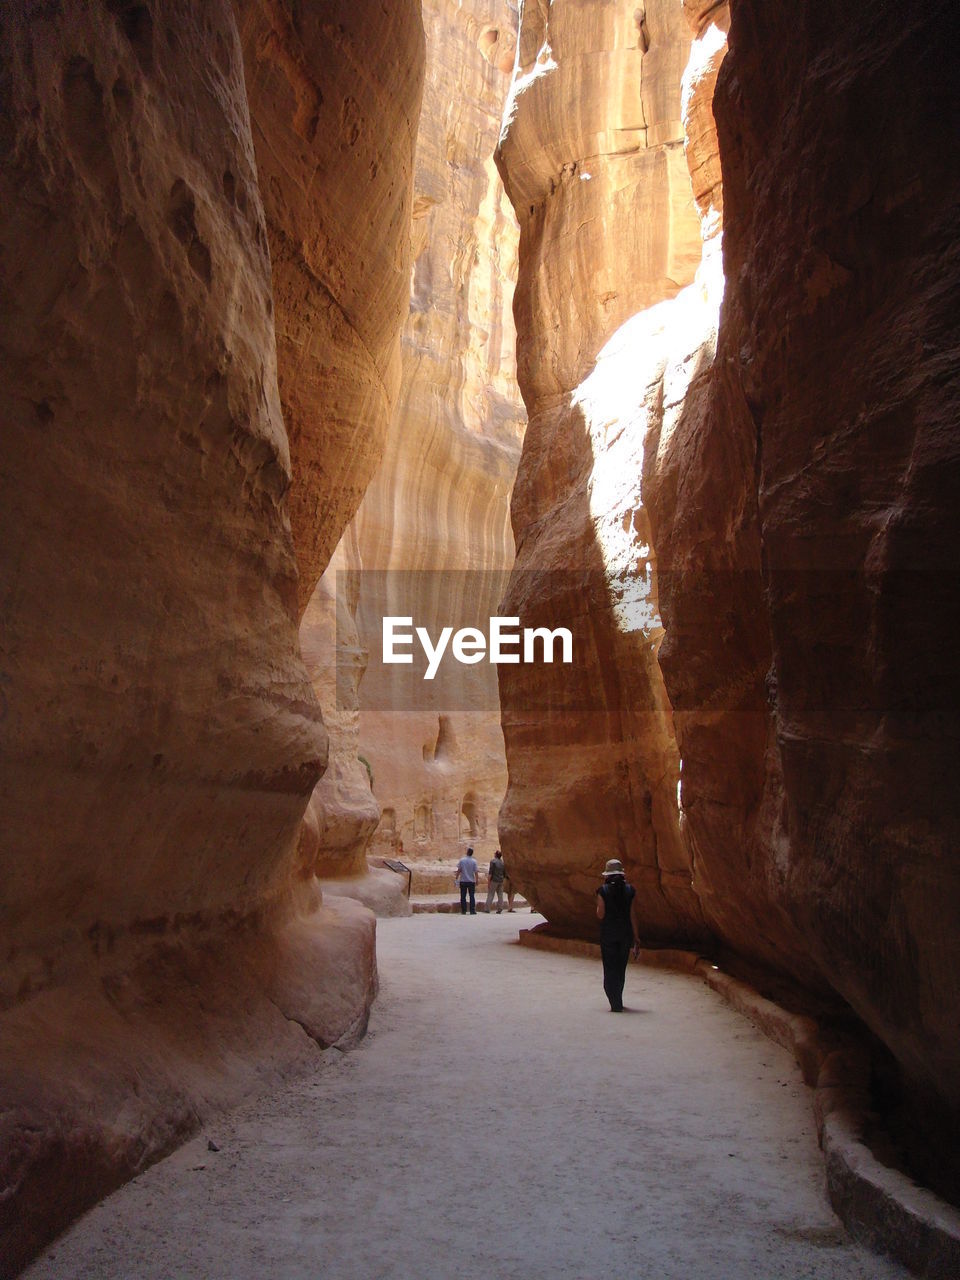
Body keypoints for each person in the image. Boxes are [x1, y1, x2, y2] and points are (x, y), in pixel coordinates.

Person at [595, 858, 640, 1011]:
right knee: (621, 968)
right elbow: (633, 914)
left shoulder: (603, 891)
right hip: (625, 934)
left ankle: (615, 1003)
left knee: (610, 968)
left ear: (607, 875)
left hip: (609, 934)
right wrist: (636, 937)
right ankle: (618, 998)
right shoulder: (630, 890)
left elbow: (601, 914)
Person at [455, 846, 479, 915]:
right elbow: (476, 872)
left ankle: (464, 910)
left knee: (463, 896)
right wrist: (477, 880)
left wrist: (456, 878)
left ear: (467, 852)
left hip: (463, 880)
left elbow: (459, 870)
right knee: (472, 896)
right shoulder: (474, 861)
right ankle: (472, 910)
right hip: (471, 881)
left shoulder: (462, 860)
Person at [486, 849, 506, 913]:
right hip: (500, 880)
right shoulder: (503, 863)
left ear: (496, 855)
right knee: (500, 895)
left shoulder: (493, 862)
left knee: (491, 894)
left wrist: (488, 881)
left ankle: (487, 908)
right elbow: (504, 873)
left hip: (494, 880)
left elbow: (490, 872)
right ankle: (500, 908)